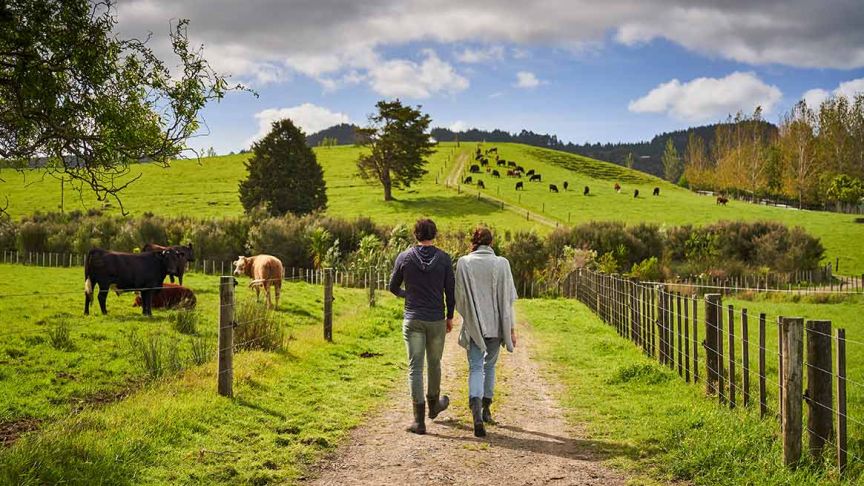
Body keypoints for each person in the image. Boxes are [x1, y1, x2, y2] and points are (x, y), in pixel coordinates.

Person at [389, 218, 455, 435]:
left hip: (413, 318)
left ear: (415, 234)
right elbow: (450, 292)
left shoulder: (405, 257)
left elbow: (393, 287)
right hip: (436, 318)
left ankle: (418, 421)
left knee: (415, 368)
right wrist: (449, 316)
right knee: (434, 363)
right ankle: (435, 404)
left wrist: (408, 294)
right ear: (434, 234)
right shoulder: (444, 259)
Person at [455, 227, 517, 437]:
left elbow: (460, 298)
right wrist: (511, 328)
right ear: (491, 243)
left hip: (475, 326)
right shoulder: (502, 263)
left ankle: (476, 416)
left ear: (473, 242)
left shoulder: (464, 263)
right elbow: (508, 301)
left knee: (475, 367)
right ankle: (486, 409)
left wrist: (469, 318)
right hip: (497, 325)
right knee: (489, 365)